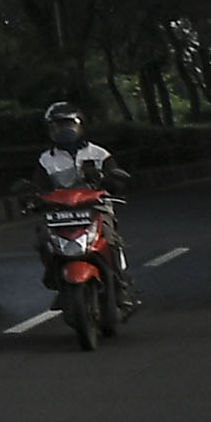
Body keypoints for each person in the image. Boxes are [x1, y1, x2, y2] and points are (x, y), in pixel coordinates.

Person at [34, 103, 134, 305]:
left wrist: (109, 182)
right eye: (59, 126)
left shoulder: (99, 154)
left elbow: (115, 177)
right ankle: (55, 278)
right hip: (60, 213)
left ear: (80, 126)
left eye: (69, 125)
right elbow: (38, 187)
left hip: (95, 209)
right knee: (42, 240)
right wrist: (32, 197)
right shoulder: (46, 160)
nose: (65, 130)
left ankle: (120, 284)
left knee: (110, 239)